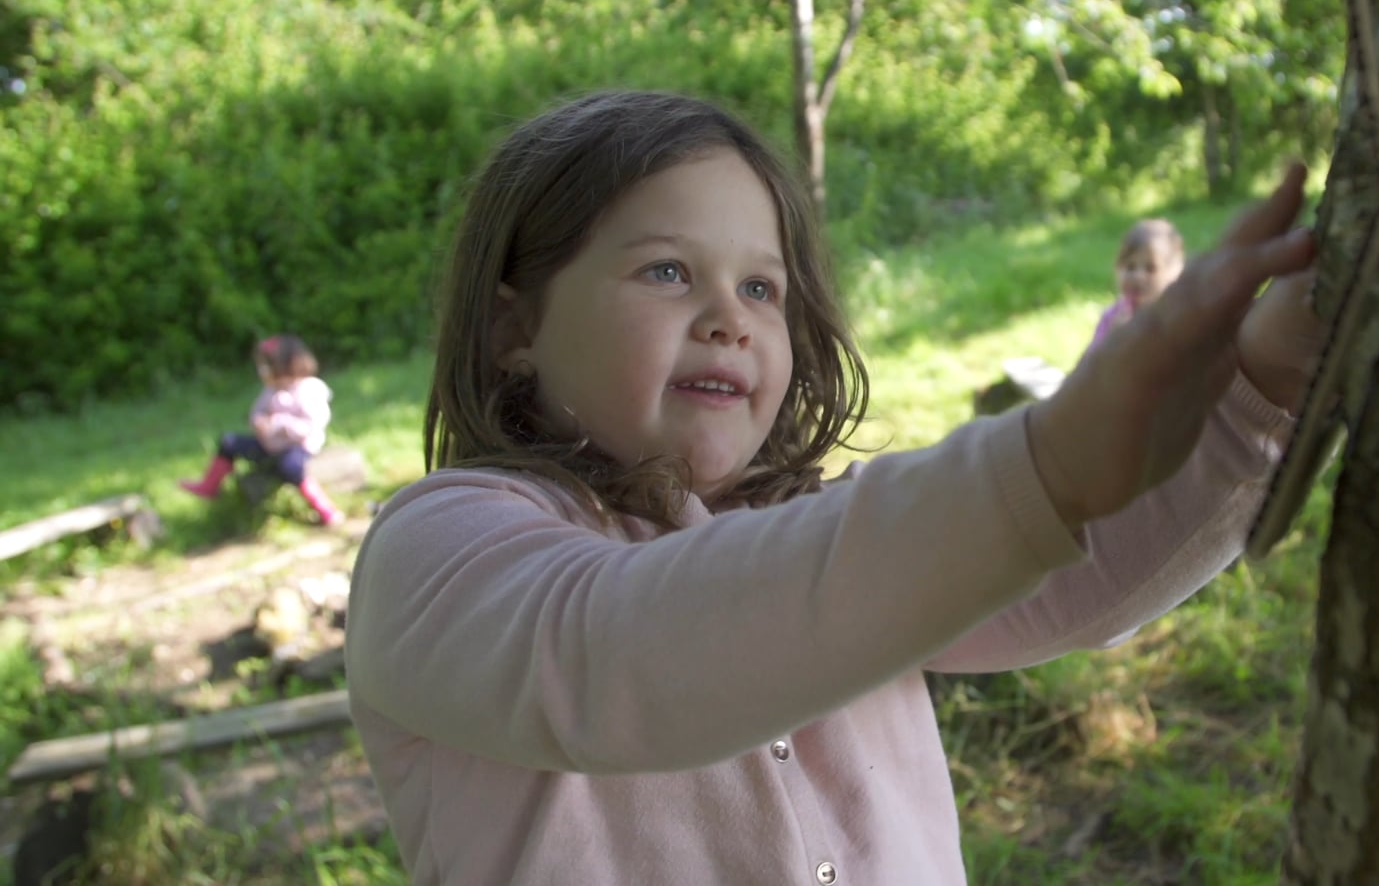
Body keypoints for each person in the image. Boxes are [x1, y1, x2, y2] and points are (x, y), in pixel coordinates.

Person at [343, 90, 1324, 883]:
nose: (730, 316)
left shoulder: (832, 536)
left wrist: (1269, 380)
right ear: (515, 333)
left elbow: (1075, 573)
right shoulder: (438, 551)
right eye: (668, 271)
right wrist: (1046, 463)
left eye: (762, 287)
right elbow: (622, 657)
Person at [179, 334, 344, 526]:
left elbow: (311, 426)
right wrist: (258, 421)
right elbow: (257, 411)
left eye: (266, 366)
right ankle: (210, 486)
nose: (262, 371)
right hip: (269, 444)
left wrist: (280, 423)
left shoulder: (309, 389)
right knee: (229, 442)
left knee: (291, 467)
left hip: (297, 446)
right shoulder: (271, 390)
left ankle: (325, 509)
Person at [1090, 217, 1185, 348]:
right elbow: (1093, 360)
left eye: (1150, 268)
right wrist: (1112, 339)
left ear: (1174, 273)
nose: (1138, 276)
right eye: (1130, 267)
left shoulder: (1176, 316)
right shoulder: (1112, 317)